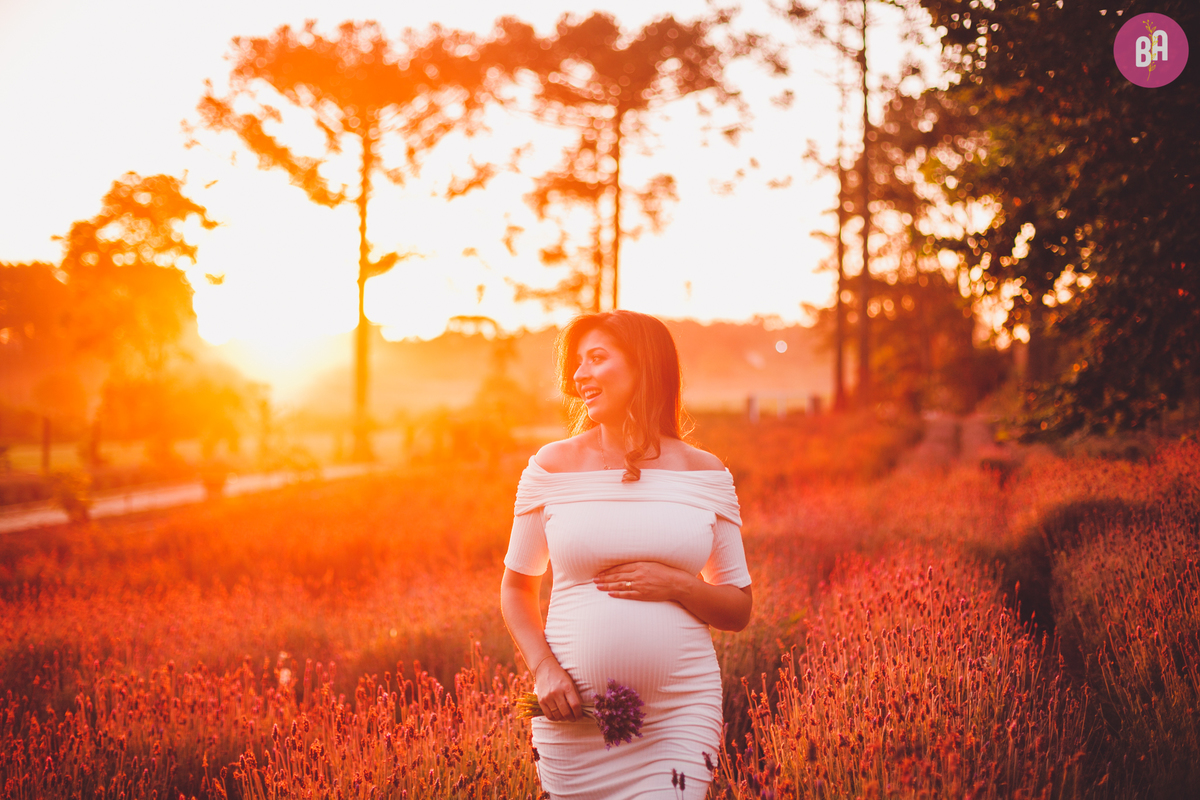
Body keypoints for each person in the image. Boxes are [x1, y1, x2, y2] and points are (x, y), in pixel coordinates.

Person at [501, 310, 753, 799]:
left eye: (597, 358)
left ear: (645, 366)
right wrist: (544, 670)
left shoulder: (704, 474)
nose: (579, 376)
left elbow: (739, 608)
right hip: (576, 720)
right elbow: (516, 586)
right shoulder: (551, 467)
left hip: (679, 714)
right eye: (577, 363)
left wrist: (679, 585)